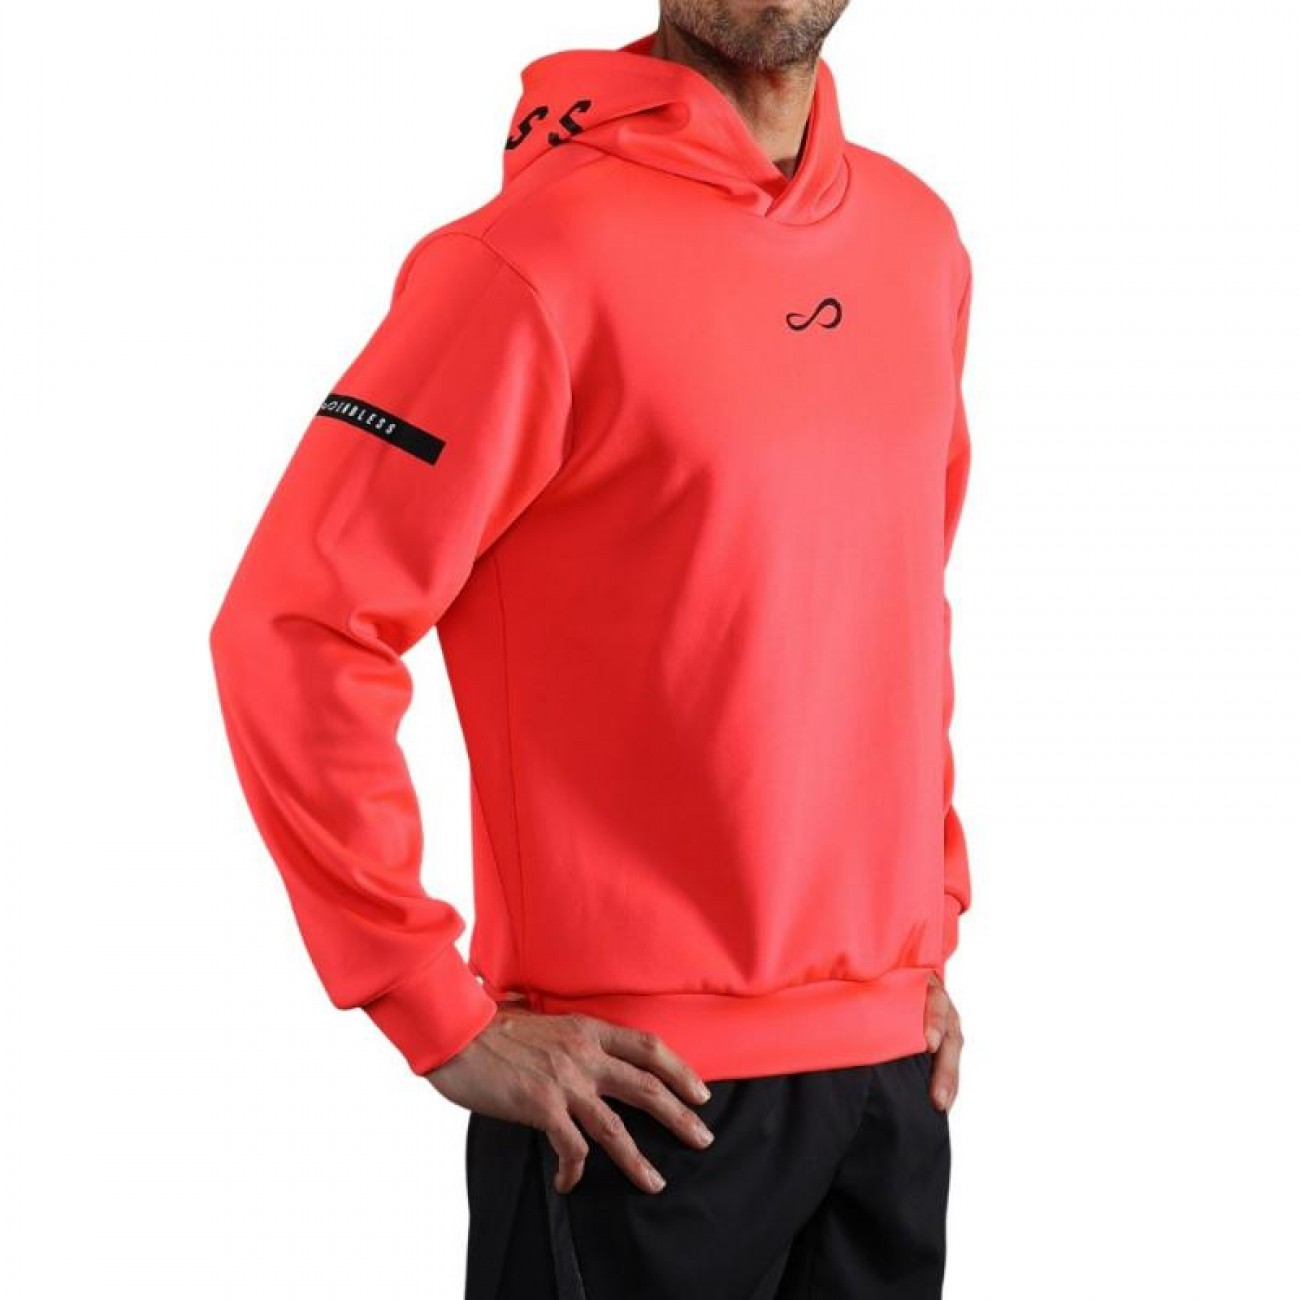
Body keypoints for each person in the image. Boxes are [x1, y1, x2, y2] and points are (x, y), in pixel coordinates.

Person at [209, 3, 975, 1295]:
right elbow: (296, 625)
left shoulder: (919, 242)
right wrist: (431, 1006)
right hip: (629, 1102)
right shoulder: (527, 263)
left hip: (888, 1080)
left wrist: (921, 932)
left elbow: (894, 603)